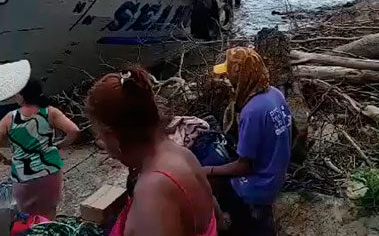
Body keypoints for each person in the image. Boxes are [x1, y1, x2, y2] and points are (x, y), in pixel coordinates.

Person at [86, 67, 217, 236]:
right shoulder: (181, 153)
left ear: (113, 137)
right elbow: (217, 217)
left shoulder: (154, 193)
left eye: (100, 136)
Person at [205, 47, 292, 236]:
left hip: (259, 185)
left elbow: (245, 168)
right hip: (277, 177)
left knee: (212, 184)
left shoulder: (252, 111)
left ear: (241, 76)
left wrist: (208, 171)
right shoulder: (276, 94)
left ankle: (231, 224)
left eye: (229, 74)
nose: (227, 79)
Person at [0, 78, 80, 219]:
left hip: (22, 175)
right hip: (50, 171)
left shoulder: (10, 118)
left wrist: (4, 159)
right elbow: (74, 131)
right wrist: (59, 145)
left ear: (23, 96)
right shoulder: (49, 112)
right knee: (49, 214)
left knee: (28, 218)